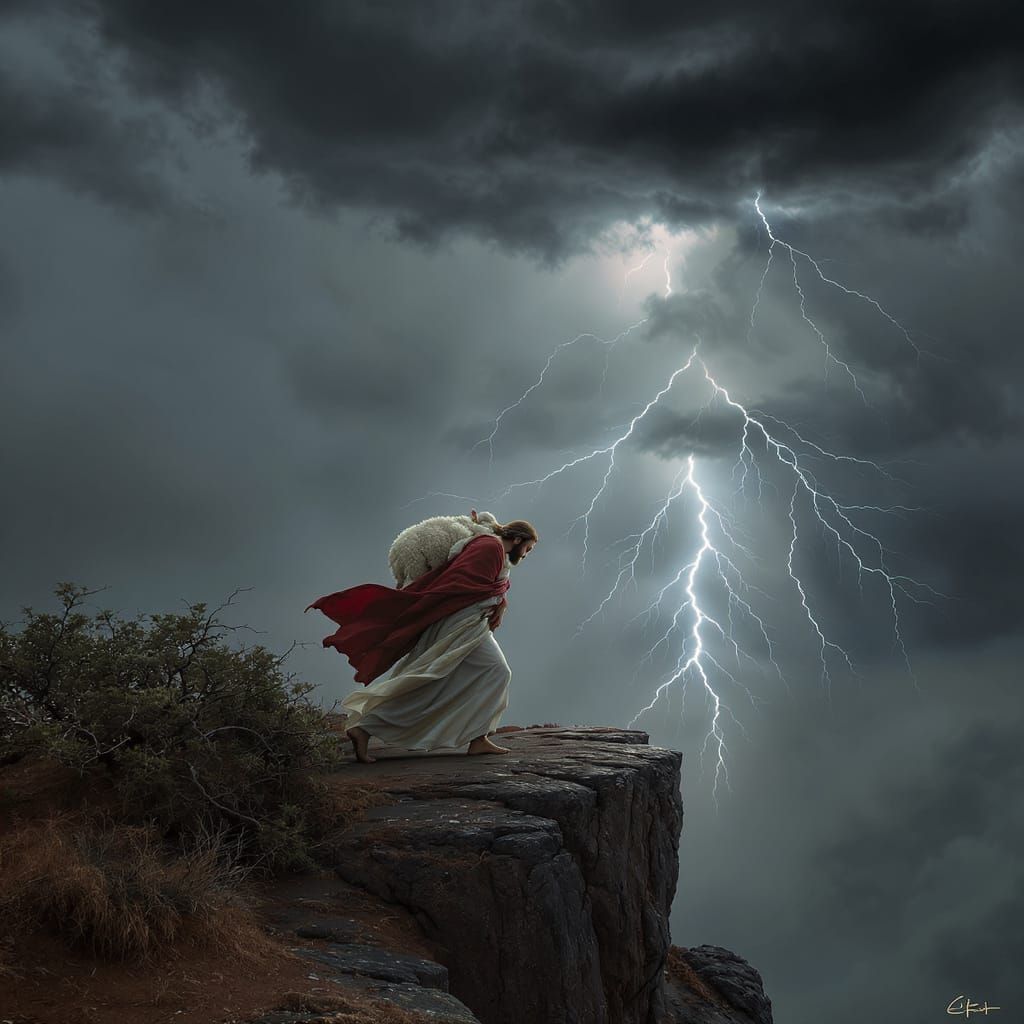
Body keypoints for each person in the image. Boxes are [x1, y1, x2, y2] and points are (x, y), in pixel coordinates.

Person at [306, 518, 539, 763]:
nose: (526, 554)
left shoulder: (494, 550)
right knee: (487, 672)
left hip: (470, 622)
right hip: (461, 623)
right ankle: (366, 727)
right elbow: (462, 584)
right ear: (517, 539)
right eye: (528, 548)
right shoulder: (489, 547)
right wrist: (496, 599)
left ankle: (477, 737)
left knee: (461, 676)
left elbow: (488, 585)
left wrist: (500, 600)